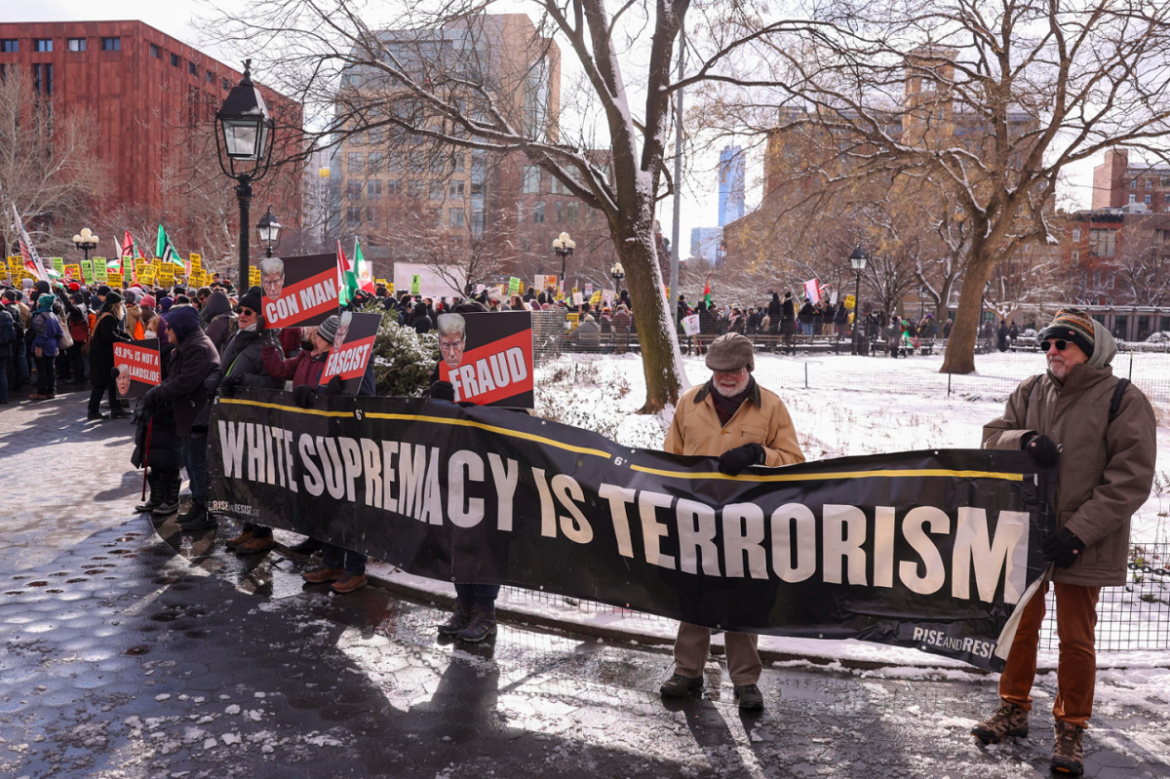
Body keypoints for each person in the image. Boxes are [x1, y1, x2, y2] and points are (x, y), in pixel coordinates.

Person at [973, 309, 1156, 776]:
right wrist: (1026, 438)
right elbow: (991, 437)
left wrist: (1079, 532)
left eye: (1064, 343)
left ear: (1089, 349)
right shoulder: (1031, 391)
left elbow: (1130, 478)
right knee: (1021, 628)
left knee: (1076, 639)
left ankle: (1071, 725)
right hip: (1029, 536)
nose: (1052, 351)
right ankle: (1013, 707)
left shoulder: (1122, 398)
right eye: (1048, 344)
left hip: (1084, 541)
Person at [659, 333, 805, 711]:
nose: (725, 377)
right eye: (718, 371)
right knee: (694, 595)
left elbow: (794, 461)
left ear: (748, 368)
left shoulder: (771, 406)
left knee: (744, 599)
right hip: (696, 517)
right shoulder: (689, 403)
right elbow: (669, 460)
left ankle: (745, 680)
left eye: (733, 370)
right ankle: (687, 671)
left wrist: (760, 453)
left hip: (748, 522)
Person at [215, 287, 286, 554]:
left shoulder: (269, 343)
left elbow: (277, 382)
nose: (241, 315)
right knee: (239, 476)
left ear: (261, 316)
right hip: (233, 417)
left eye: (248, 311)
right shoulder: (239, 337)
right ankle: (249, 527)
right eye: (240, 310)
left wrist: (243, 381)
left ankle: (263, 532)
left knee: (257, 478)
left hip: (256, 420)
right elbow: (227, 369)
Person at [142, 305, 221, 531]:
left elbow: (185, 381)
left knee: (197, 465)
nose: (167, 333)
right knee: (192, 462)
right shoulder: (190, 343)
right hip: (191, 415)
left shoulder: (197, 347)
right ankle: (199, 506)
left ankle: (205, 512)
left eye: (170, 328)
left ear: (181, 328)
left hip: (199, 416)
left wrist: (156, 391)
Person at [87, 292, 132, 420]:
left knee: (112, 382)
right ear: (114, 305)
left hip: (101, 355)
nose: (122, 305)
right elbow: (109, 336)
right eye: (120, 303)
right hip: (102, 356)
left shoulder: (107, 315)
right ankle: (94, 412)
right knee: (100, 384)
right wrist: (125, 341)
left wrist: (127, 337)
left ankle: (116, 409)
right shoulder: (108, 317)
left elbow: (115, 331)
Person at [29, 293, 63, 400]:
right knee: (50, 369)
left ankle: (42, 392)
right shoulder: (54, 315)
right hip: (52, 345)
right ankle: (51, 391)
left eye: (39, 301)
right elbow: (60, 333)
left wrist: (38, 347)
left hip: (44, 346)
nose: (37, 303)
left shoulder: (40, 317)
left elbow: (41, 335)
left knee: (42, 370)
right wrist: (56, 345)